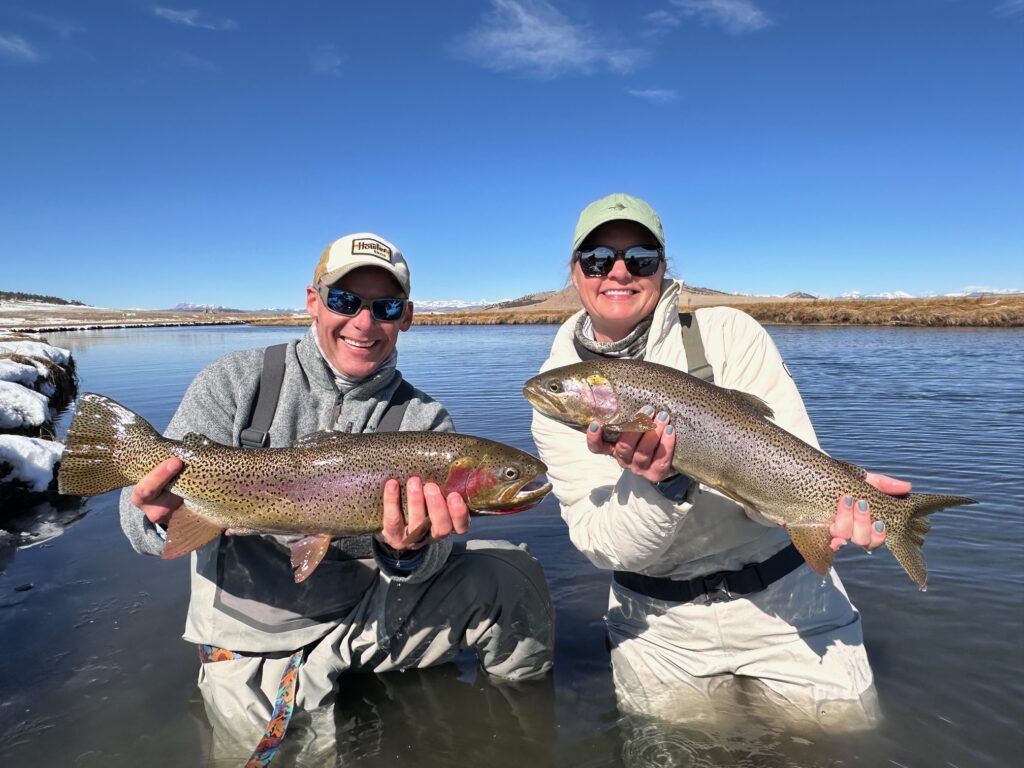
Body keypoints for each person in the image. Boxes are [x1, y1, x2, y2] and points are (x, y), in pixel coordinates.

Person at [119, 232, 554, 761]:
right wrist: (159, 518)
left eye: (385, 307)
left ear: (407, 316)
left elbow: (435, 555)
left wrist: (407, 551)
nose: (364, 323)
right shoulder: (235, 383)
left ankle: (526, 728)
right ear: (313, 301)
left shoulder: (427, 422)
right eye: (345, 301)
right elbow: (136, 521)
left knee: (512, 574)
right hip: (252, 639)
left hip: (367, 615)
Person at [530, 193, 910, 731]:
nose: (618, 271)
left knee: (845, 745)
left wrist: (834, 499)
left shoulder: (731, 334)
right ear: (575, 273)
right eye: (597, 260)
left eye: (639, 257)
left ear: (662, 268)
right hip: (657, 625)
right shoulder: (557, 395)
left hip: (791, 602)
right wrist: (658, 486)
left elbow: (789, 465)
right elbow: (602, 545)